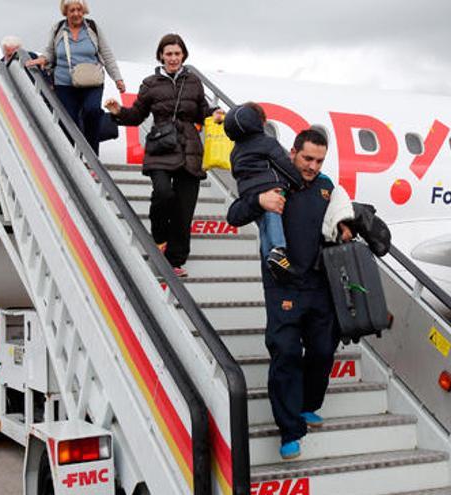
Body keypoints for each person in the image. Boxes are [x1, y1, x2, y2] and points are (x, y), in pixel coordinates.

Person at [227, 129, 350, 460]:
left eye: (319, 161)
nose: (312, 166)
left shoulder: (326, 186)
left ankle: (308, 404)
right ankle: (290, 430)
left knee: (323, 350)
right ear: (293, 152)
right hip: (282, 283)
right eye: (307, 158)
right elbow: (234, 215)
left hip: (319, 283)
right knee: (286, 353)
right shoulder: (272, 181)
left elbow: (337, 216)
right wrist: (259, 201)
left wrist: (345, 226)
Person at [104, 34, 224, 277]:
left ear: (183, 56)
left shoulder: (193, 82)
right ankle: (159, 237)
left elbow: (201, 111)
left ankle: (174, 262)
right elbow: (137, 115)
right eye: (168, 54)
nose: (173, 58)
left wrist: (214, 113)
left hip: (189, 149)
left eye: (177, 54)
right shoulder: (150, 83)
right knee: (163, 193)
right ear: (161, 56)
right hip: (161, 146)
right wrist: (118, 112)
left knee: (184, 211)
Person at [26, 0, 125, 155]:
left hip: (92, 81)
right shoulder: (58, 29)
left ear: (84, 11)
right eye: (72, 10)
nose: (76, 13)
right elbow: (50, 52)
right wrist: (42, 59)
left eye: (79, 10)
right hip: (64, 84)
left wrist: (117, 78)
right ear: (66, 12)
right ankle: (73, 158)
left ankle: (92, 154)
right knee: (68, 121)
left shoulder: (92, 28)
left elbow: (107, 54)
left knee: (92, 111)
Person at [223, 102, 302, 280]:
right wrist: (298, 182)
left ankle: (270, 259)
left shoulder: (234, 152)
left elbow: (236, 172)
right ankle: (278, 249)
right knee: (273, 213)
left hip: (248, 191)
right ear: (259, 123)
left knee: (264, 223)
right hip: (269, 184)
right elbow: (283, 164)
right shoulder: (267, 143)